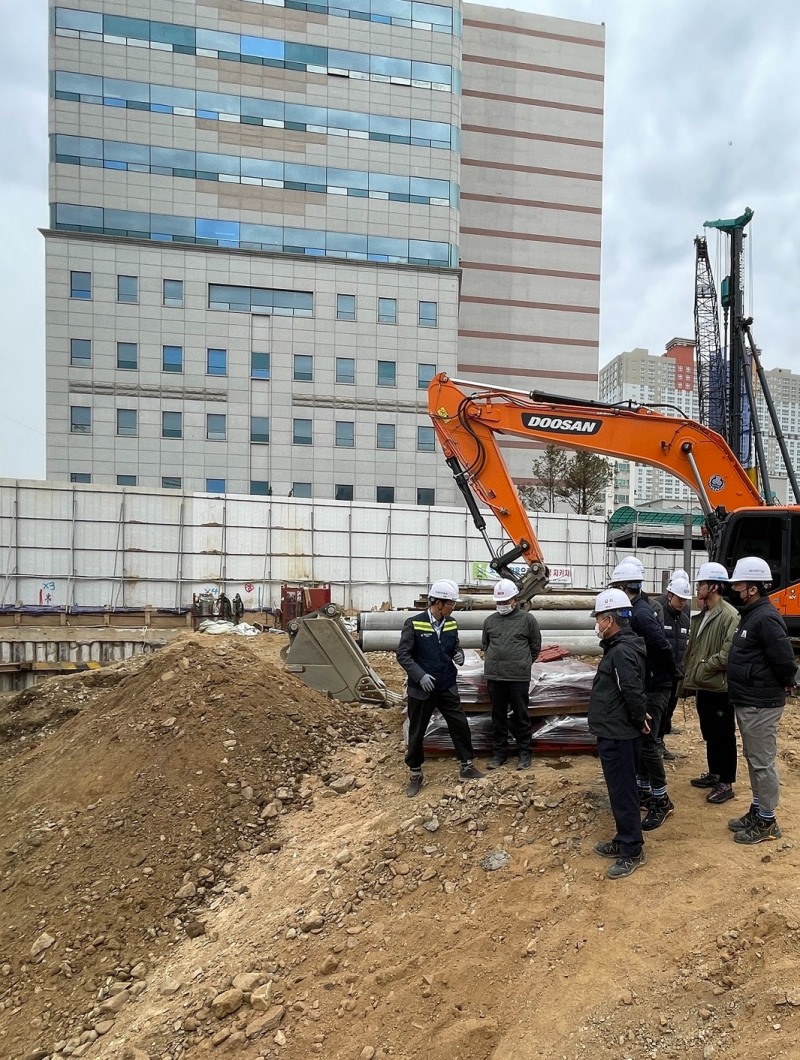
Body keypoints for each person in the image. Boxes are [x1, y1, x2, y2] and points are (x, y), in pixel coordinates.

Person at [726, 556, 797, 843]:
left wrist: (771, 687)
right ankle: (758, 810)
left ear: (753, 588)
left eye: (740, 584)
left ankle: (768, 821)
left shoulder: (765, 618)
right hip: (750, 700)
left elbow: (785, 662)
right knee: (754, 759)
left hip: (761, 703)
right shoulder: (752, 614)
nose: (735, 589)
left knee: (762, 762)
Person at [397, 579, 485, 797]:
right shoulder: (414, 623)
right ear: (437, 602)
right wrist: (420, 675)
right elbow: (403, 655)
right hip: (421, 689)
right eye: (450, 604)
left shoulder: (451, 623)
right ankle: (416, 773)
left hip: (446, 685)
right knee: (417, 731)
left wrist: (459, 654)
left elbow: (454, 645)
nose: (453, 607)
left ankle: (466, 766)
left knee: (460, 724)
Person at [610, 558, 678, 831]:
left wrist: (669, 672)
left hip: (655, 686)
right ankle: (646, 790)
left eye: (616, 586)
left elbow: (660, 644)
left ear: (626, 586)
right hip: (650, 683)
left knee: (648, 741)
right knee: (641, 740)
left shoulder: (640, 613)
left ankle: (661, 800)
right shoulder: (637, 609)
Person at [588, 588, 650, 880]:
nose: (597, 623)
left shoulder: (622, 651)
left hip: (620, 733)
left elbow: (632, 691)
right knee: (619, 790)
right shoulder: (619, 647)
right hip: (614, 729)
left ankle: (632, 849)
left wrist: (639, 720)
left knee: (624, 791)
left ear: (610, 620)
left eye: (599, 617)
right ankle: (624, 837)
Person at [680, 561, 739, 804]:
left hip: (719, 687)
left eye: (701, 583)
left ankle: (726, 782)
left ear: (714, 586)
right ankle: (715, 773)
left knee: (723, 735)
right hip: (704, 684)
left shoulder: (729, 615)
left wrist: (703, 668)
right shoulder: (703, 614)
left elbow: (727, 653)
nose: (697, 588)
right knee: (710, 733)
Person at [482, 579, 542, 771]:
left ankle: (524, 752)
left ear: (515, 600)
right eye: (499, 602)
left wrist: (523, 663)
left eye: (505, 601)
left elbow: (535, 646)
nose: (502, 606)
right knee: (498, 717)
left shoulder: (527, 620)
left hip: (518, 677)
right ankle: (499, 754)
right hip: (495, 677)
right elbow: (486, 645)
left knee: (521, 715)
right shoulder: (490, 621)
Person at [655, 573, 692, 760]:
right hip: (660, 675)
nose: (682, 603)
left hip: (675, 676)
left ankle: (660, 742)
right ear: (670, 596)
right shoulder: (659, 615)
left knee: (668, 711)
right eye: (679, 598)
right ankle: (653, 745)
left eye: (685, 600)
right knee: (658, 711)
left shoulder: (685, 620)